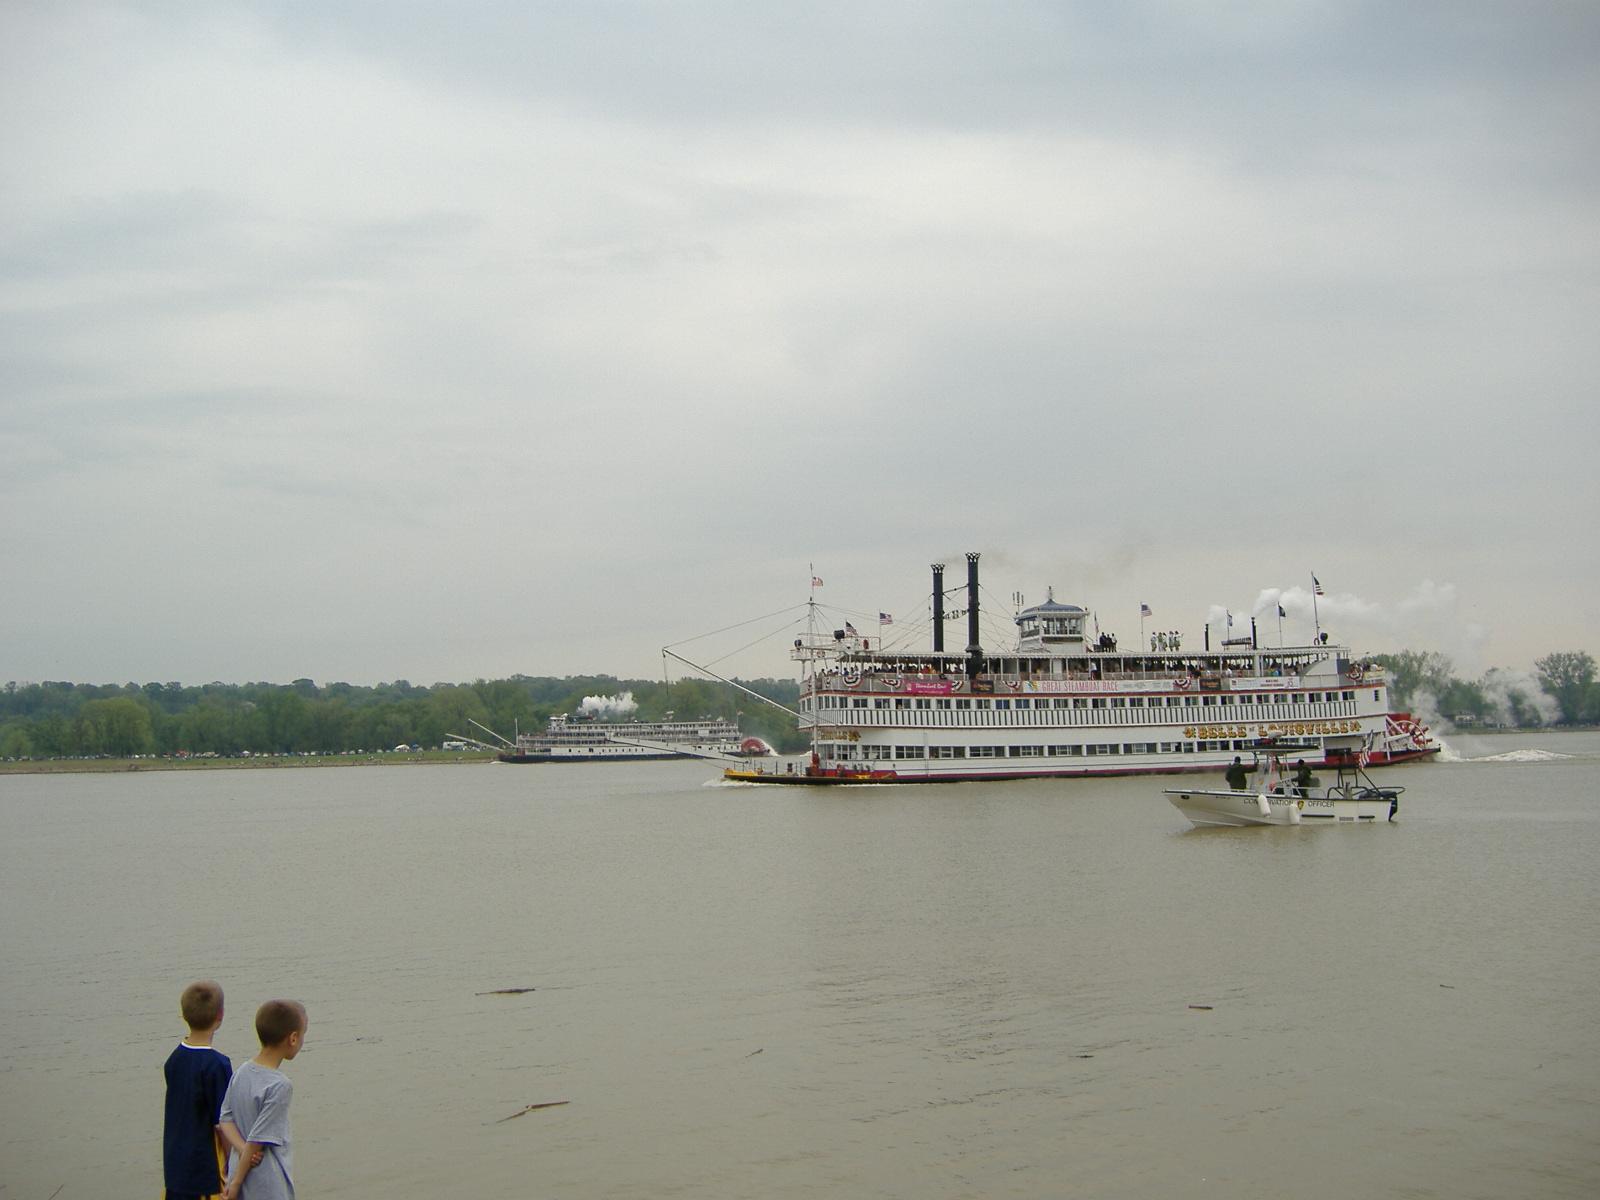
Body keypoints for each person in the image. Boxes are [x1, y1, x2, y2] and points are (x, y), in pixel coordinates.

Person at [164, 980, 252, 1200]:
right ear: (219, 1016)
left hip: (175, 1168)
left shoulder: (174, 1060)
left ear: (184, 1014)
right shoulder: (217, 1065)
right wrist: (235, 1164)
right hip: (206, 1173)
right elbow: (223, 1123)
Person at [219, 1000, 308, 1200]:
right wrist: (235, 1185)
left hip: (236, 1171)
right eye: (303, 1035)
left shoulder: (242, 1071)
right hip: (265, 1183)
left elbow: (225, 1119)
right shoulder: (280, 1085)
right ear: (293, 1038)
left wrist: (240, 1152)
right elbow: (256, 1142)